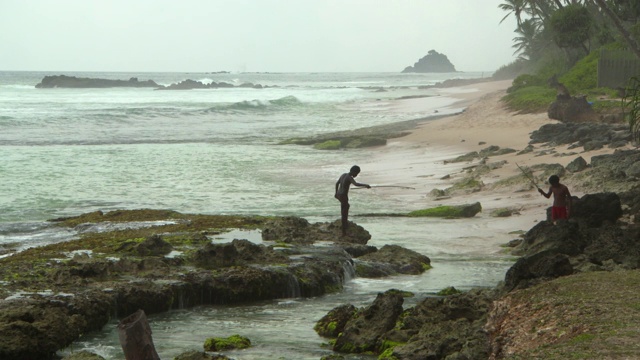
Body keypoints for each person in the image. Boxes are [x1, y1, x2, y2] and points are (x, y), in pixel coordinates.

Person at [335, 165, 371, 235]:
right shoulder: (349, 177)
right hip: (343, 196)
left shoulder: (343, 175)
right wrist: (366, 185)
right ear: (354, 172)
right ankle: (344, 232)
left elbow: (337, 183)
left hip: (339, 194)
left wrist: (336, 193)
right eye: (356, 174)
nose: (356, 175)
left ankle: (344, 228)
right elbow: (356, 184)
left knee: (344, 208)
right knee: (344, 213)